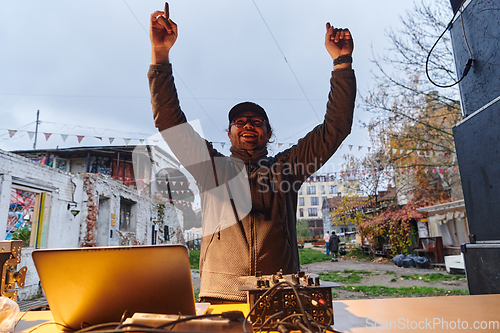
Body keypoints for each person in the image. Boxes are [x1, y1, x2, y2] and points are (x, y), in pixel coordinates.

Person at [148, 2, 356, 303]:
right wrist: (160, 56)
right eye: (240, 121)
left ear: (268, 134)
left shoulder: (289, 168)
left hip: (279, 290)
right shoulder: (210, 167)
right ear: (229, 132)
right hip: (220, 294)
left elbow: (335, 128)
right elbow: (169, 121)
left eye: (257, 122)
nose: (248, 125)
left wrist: (342, 64)